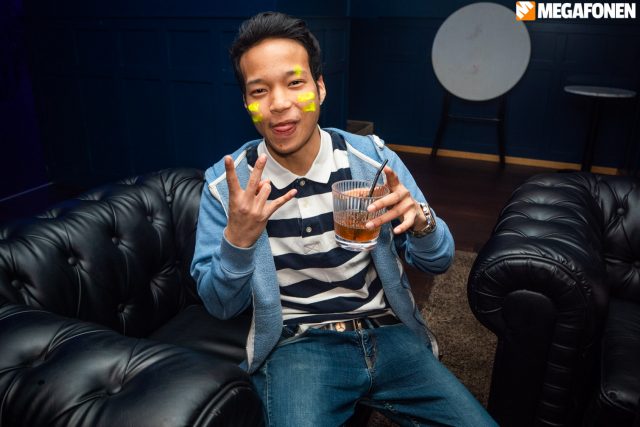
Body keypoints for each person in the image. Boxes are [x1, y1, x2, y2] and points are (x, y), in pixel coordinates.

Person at [191, 11, 497, 427]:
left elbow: (439, 261)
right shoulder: (226, 187)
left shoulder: (372, 161)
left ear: (319, 88)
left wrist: (422, 222)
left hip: (389, 333)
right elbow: (220, 305)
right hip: (298, 348)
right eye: (259, 90)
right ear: (247, 103)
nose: (278, 104)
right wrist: (238, 242)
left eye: (294, 83)